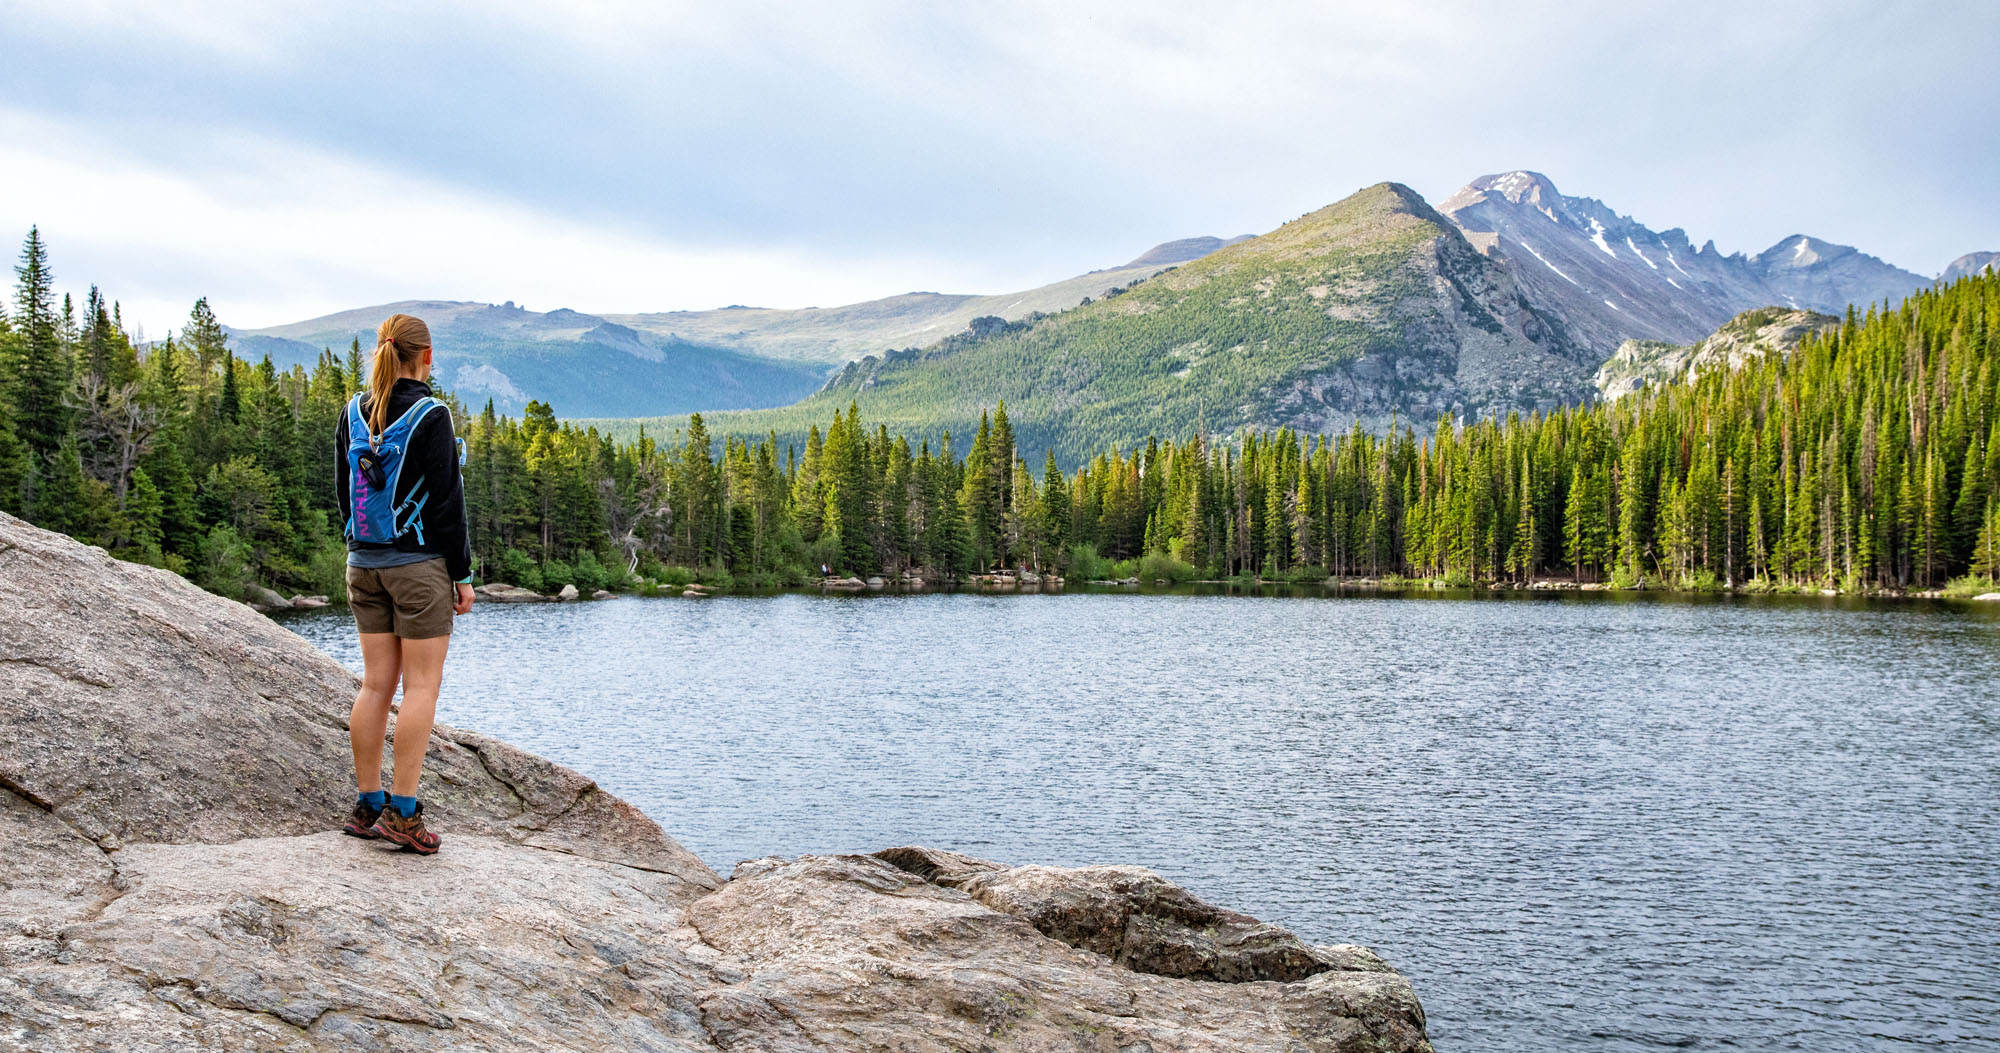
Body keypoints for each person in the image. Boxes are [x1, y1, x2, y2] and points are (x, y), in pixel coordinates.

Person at [335, 313, 474, 855]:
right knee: (421, 688)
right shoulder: (430, 414)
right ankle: (405, 813)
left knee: (375, 686)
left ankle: (368, 805)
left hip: (362, 563)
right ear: (427, 355)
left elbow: (344, 493)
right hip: (417, 569)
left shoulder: (353, 409)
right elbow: (446, 505)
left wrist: (360, 547)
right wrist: (461, 574)